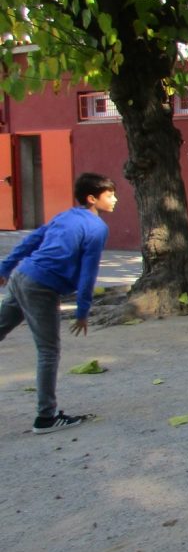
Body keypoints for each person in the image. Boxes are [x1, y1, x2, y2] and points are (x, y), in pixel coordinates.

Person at [0, 173, 117, 434]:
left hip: (22, 276)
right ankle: (46, 417)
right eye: (110, 195)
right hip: (41, 287)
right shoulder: (97, 228)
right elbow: (88, 272)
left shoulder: (66, 215)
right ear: (92, 198)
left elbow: (32, 240)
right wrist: (82, 311)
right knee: (49, 351)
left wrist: (6, 267)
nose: (115, 199)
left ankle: (46, 415)